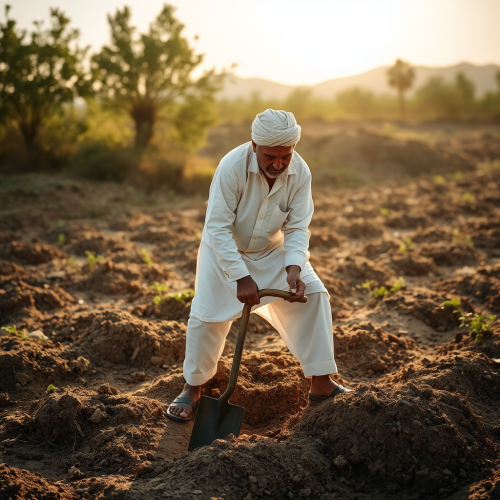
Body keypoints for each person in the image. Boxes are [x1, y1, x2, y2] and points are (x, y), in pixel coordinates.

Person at [166, 109, 350, 422]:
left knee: (315, 295)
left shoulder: (300, 173)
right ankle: (193, 387)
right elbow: (217, 227)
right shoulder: (232, 167)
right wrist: (241, 276)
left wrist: (293, 268)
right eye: (270, 157)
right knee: (207, 317)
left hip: (271, 250)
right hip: (223, 253)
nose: (278, 164)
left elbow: (297, 227)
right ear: (254, 146)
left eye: (285, 156)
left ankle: (320, 382)